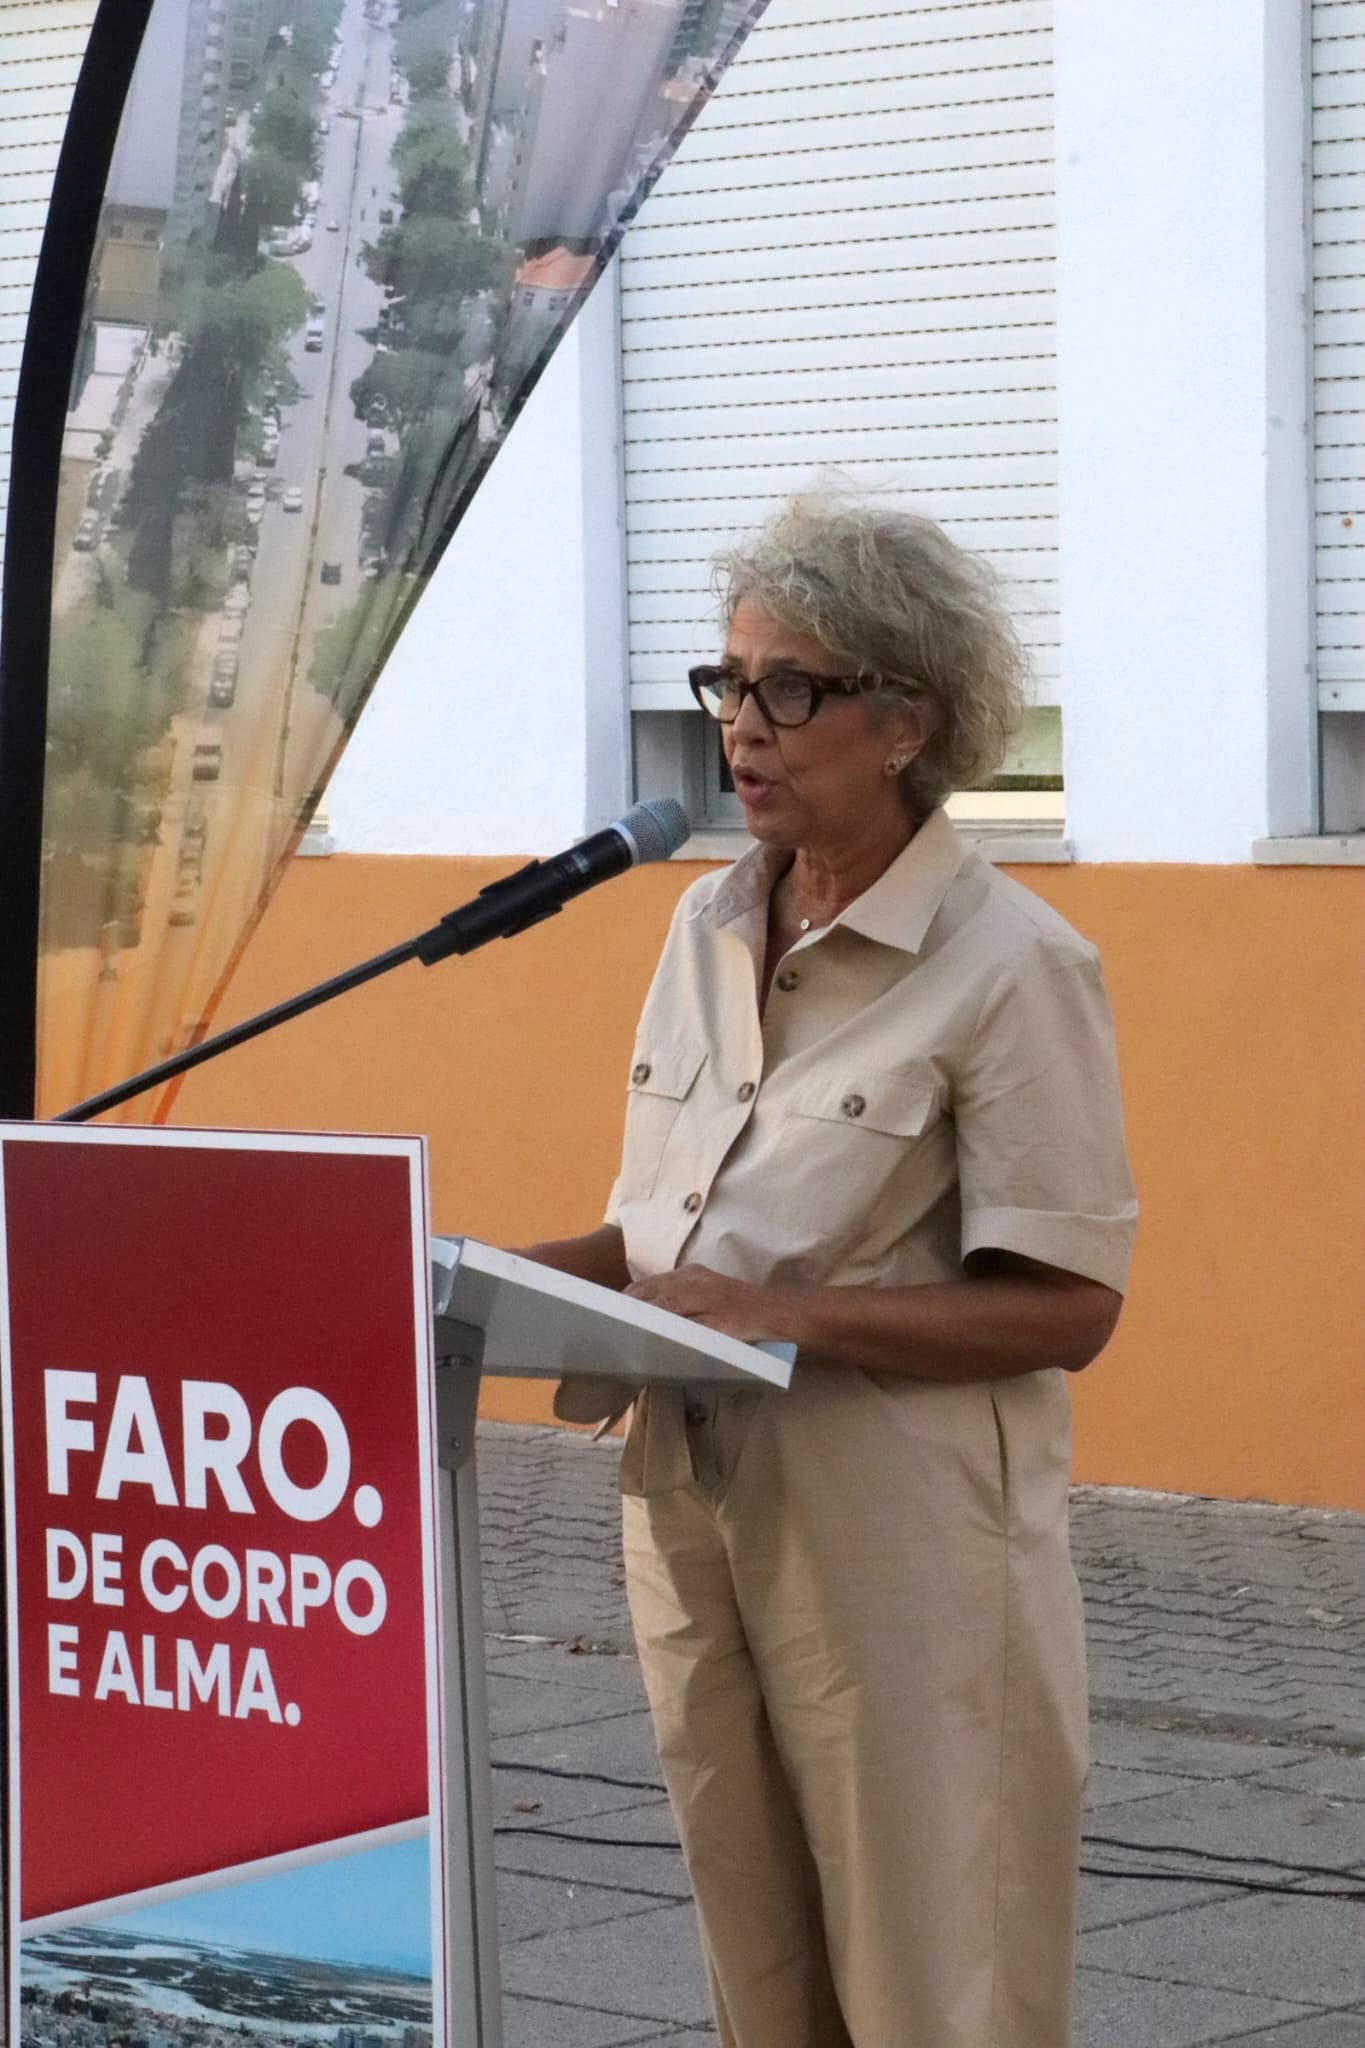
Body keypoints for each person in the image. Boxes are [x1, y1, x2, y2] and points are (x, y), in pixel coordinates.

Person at [517, 491, 1137, 2048]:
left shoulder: (1014, 966)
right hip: (687, 1506)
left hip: (900, 1548)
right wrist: (455, 1278)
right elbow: (667, 1239)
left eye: (788, 690)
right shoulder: (703, 926)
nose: (742, 728)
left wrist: (780, 1315)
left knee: (937, 1983)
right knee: (760, 1971)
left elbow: (1070, 1306)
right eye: (729, 684)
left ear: (906, 720)